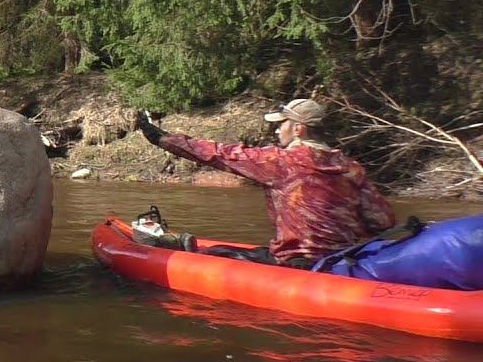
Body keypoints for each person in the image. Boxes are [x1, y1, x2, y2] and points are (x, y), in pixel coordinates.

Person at [136, 98, 395, 267]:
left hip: (301, 262)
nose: (275, 130)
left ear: (298, 129)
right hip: (348, 260)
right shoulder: (351, 168)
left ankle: (181, 247)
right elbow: (383, 221)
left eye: (280, 124)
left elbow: (220, 154)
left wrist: (161, 138)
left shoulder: (281, 162)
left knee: (215, 256)